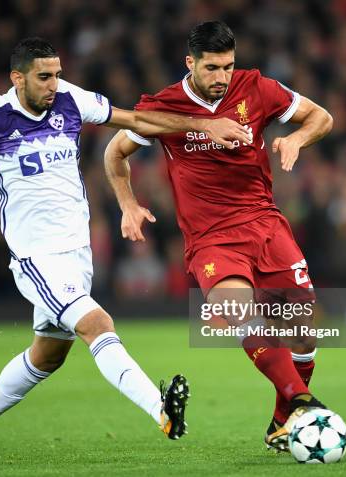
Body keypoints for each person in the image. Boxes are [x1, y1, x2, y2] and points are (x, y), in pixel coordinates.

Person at [0, 37, 252, 464]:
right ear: (17, 78)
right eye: (44, 77)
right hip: (36, 257)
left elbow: (135, 119)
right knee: (97, 323)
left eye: (57, 73)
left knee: (48, 355)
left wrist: (201, 126)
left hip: (77, 252)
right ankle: (161, 410)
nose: (55, 84)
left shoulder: (71, 100)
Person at [103, 21, 334, 452]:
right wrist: (128, 204)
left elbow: (322, 117)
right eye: (211, 68)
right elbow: (114, 152)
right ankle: (301, 402)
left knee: (303, 331)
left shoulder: (257, 88)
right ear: (190, 63)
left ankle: (282, 422)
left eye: (227, 67)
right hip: (211, 237)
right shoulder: (163, 107)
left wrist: (297, 139)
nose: (221, 78)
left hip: (265, 223)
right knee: (233, 305)